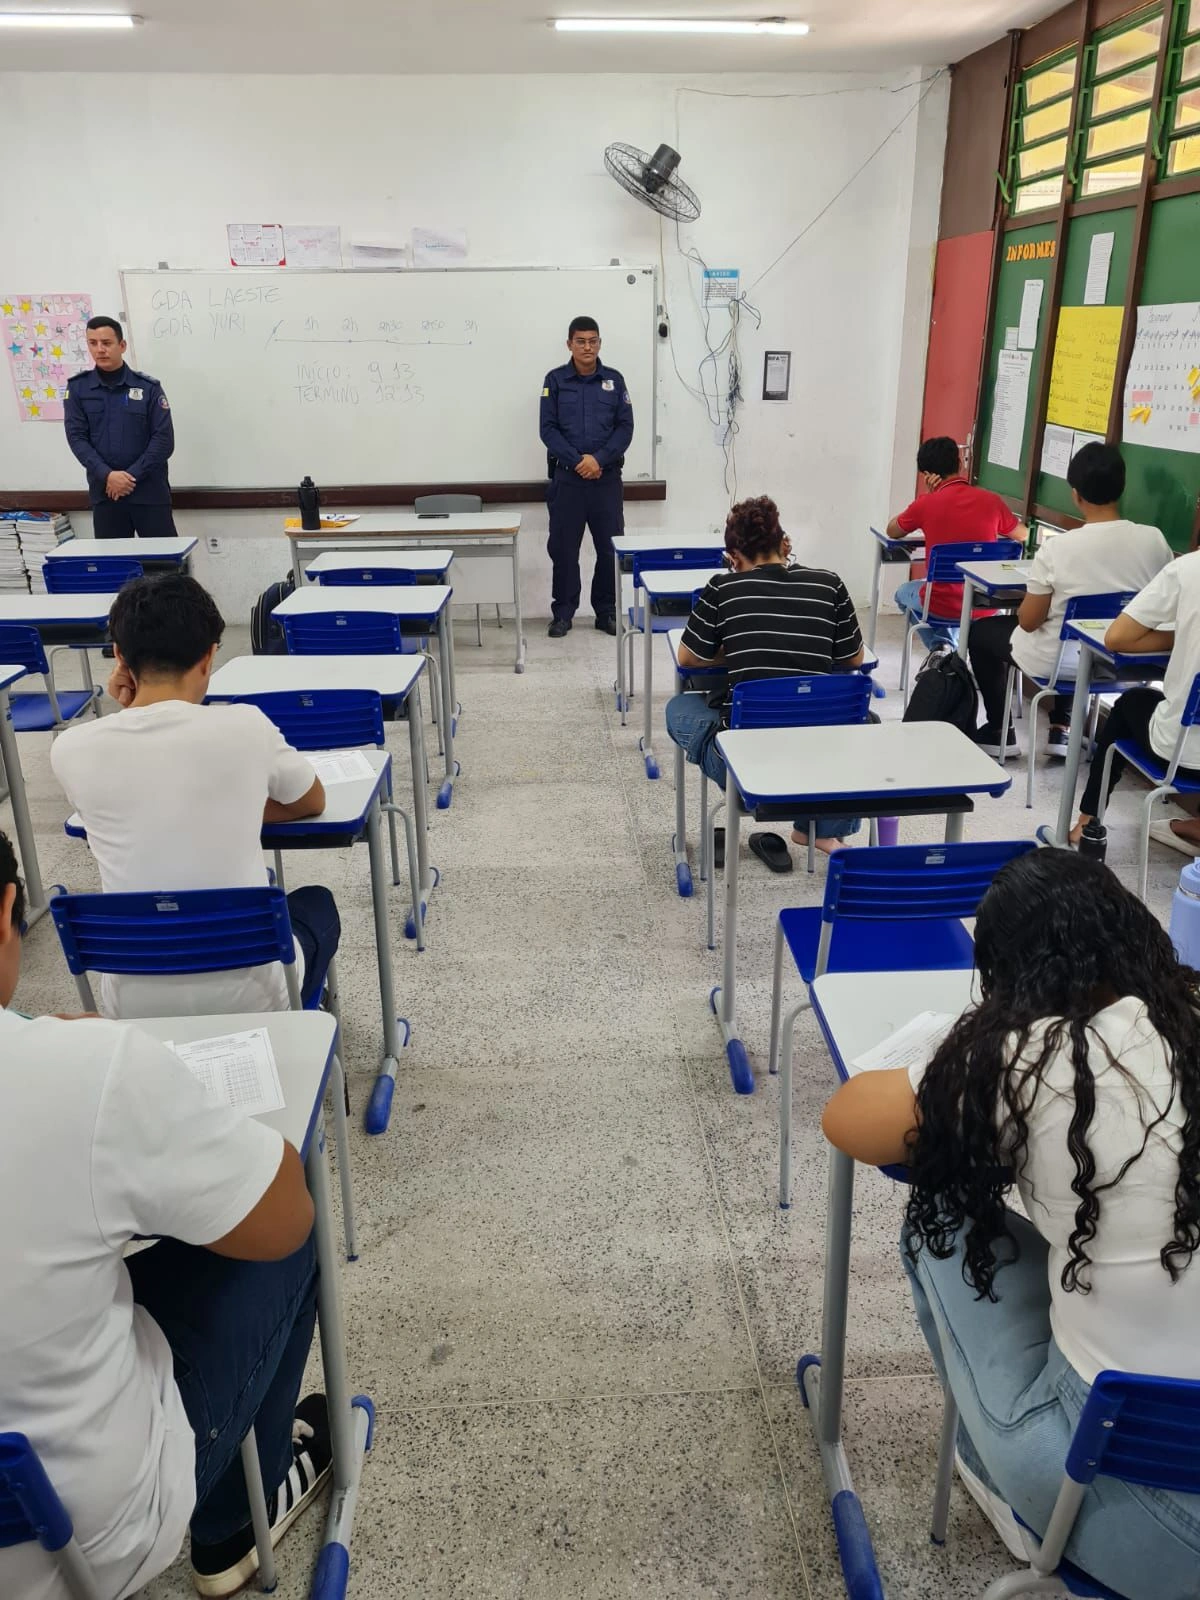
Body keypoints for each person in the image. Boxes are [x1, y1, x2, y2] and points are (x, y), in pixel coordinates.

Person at [821, 850, 1200, 1600]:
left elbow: (849, 1119)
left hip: (1141, 1518)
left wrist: (962, 1051)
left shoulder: (1029, 1060)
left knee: (939, 1214)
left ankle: (997, 1475)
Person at [0, 829, 331, 1600]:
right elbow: (282, 1216)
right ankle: (231, 1530)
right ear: (6, 908)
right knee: (285, 1237)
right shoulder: (81, 1073)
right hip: (77, 1542)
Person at [50, 572, 341, 1017]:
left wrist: (129, 711)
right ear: (208, 657)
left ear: (120, 657)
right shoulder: (246, 726)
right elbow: (311, 802)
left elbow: (145, 799)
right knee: (316, 904)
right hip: (255, 998)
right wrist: (237, 803)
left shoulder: (70, 749)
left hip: (132, 1001)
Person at [665, 495, 864, 867]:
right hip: (821, 759)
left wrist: (736, 648)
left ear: (733, 557)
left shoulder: (723, 588)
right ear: (784, 544)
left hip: (747, 761)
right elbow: (854, 658)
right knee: (854, 720)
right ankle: (821, 827)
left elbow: (688, 658)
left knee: (679, 707)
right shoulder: (830, 584)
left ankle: (748, 793)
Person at [967, 443, 1170, 757]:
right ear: (1122, 488)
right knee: (1072, 631)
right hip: (1126, 661)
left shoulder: (1058, 548)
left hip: (1062, 662)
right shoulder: (1154, 540)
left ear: (1075, 494)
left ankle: (999, 731)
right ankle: (1061, 729)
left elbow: (1029, 622)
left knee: (982, 633)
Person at [1057, 549, 1200, 853]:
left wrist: (1183, 634)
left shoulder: (1188, 568)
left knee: (1131, 701)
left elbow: (1118, 638)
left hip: (1183, 756)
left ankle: (1088, 823)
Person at [539, 315, 634, 639]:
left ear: (600, 344)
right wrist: (578, 461)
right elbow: (548, 429)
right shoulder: (554, 380)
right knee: (564, 550)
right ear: (569, 344)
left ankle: (606, 612)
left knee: (609, 550)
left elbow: (625, 428)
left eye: (593, 341)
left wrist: (598, 460)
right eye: (580, 341)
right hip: (568, 481)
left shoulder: (614, 381)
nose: (587, 347)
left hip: (606, 481)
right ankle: (563, 614)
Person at [887, 436, 1023, 644]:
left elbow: (892, 530)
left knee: (901, 594)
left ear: (926, 475)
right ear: (959, 464)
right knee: (950, 590)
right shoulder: (991, 501)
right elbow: (1022, 535)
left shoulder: (925, 504)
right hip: (985, 603)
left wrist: (927, 497)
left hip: (940, 604)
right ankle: (945, 649)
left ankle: (941, 648)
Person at [63, 315, 178, 539]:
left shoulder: (148, 388)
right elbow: (77, 438)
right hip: (106, 494)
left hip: (149, 493)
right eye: (93, 343)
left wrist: (129, 477)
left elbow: (163, 440)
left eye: (106, 343)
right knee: (112, 559)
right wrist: (107, 475)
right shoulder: (78, 389)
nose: (100, 350)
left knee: (164, 559)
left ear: (122, 345)